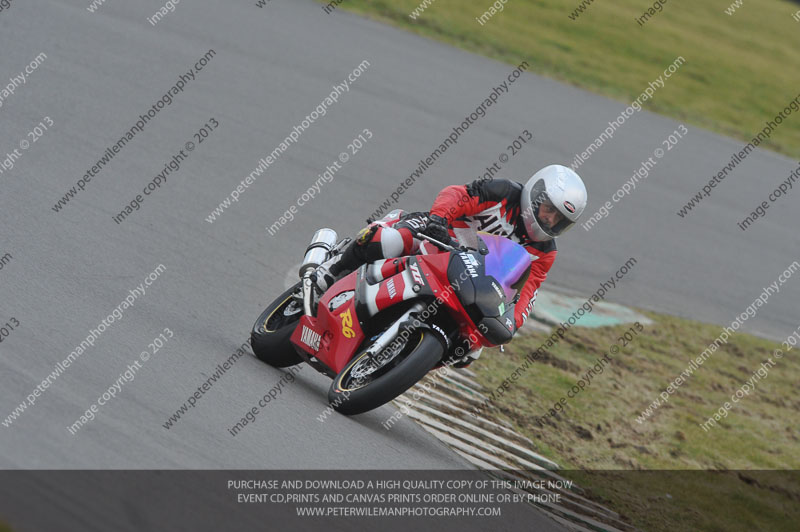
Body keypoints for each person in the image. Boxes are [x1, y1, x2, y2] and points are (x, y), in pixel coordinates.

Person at [314, 164, 587, 362]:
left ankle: (398, 361)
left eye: (559, 219)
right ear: (536, 194)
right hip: (439, 234)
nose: (550, 220)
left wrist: (511, 323)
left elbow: (528, 292)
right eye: (548, 210)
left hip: (470, 281)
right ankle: (332, 270)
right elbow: (460, 194)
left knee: (470, 350)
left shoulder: (544, 252)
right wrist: (439, 219)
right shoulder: (505, 193)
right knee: (389, 241)